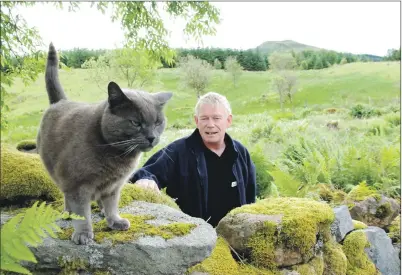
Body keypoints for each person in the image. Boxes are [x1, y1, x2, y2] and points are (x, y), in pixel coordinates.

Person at [129, 92, 256, 227]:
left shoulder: (241, 152)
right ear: (196, 121)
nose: (210, 124)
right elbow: (147, 173)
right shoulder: (177, 151)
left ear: (228, 121)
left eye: (216, 118)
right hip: (194, 240)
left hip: (234, 238)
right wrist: (146, 180)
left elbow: (250, 197)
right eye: (204, 118)